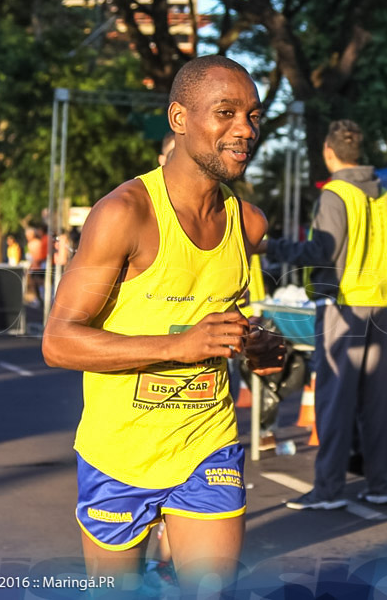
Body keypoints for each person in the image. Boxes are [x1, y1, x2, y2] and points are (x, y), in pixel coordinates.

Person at [42, 55, 284, 595]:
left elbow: (221, 317)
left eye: (253, 116)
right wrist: (180, 346)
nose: (245, 130)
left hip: (207, 445)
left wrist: (256, 343)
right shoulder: (125, 213)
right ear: (179, 118)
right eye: (225, 113)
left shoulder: (248, 222)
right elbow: (58, 341)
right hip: (119, 453)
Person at [260, 119, 387, 510]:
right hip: (380, 307)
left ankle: (328, 490)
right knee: (376, 401)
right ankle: (381, 484)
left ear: (328, 152)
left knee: (335, 401)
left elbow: (320, 251)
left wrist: (272, 246)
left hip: (343, 308)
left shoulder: (335, 195)